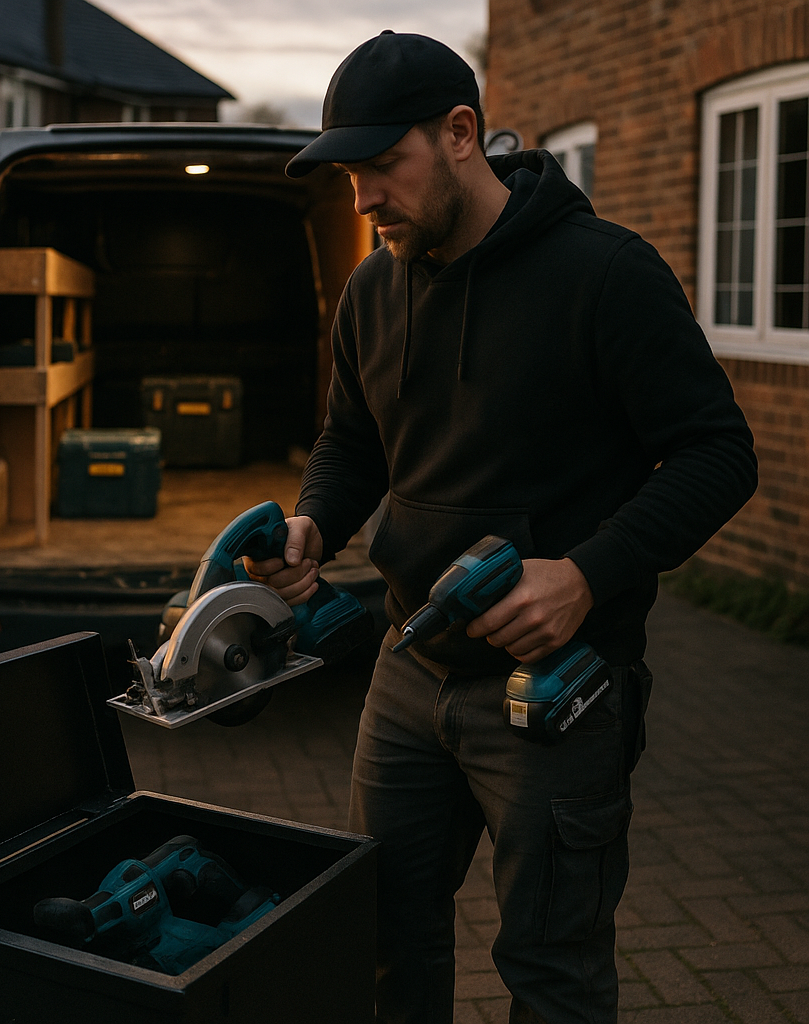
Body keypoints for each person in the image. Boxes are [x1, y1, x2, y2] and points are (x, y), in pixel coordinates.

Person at [245, 30, 759, 1024]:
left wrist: (584, 574)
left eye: (381, 167)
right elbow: (352, 440)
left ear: (460, 133)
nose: (360, 201)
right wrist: (315, 523)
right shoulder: (370, 288)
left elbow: (716, 453)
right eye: (348, 175)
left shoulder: (603, 274)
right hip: (405, 672)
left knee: (550, 972)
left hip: (553, 694)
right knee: (382, 939)